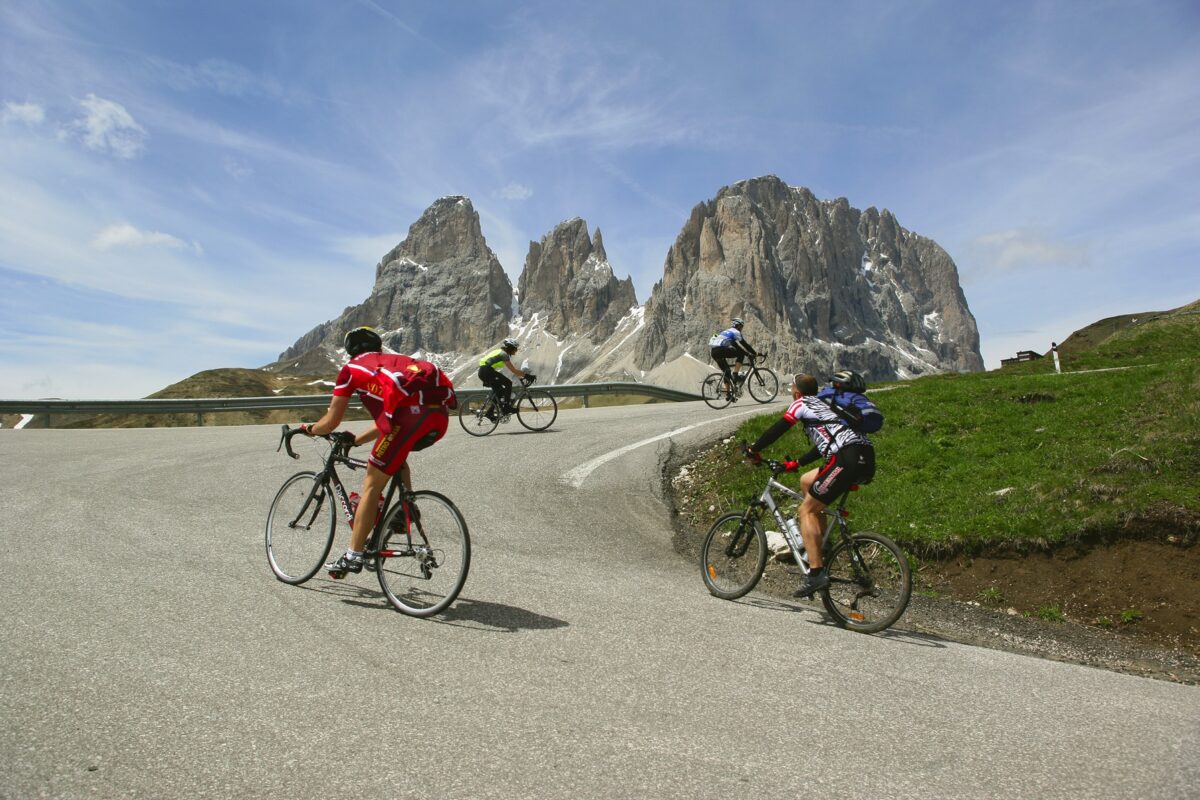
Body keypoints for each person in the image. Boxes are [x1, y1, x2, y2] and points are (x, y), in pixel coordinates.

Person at [298, 326, 455, 578]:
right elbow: (390, 418)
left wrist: (310, 429)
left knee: (372, 482)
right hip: (438, 418)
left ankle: (353, 555)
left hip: (408, 420)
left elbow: (331, 422)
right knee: (395, 457)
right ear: (378, 347)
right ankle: (407, 507)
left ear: (350, 351)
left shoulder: (351, 369)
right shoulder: (394, 362)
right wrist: (357, 441)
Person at [743, 371, 877, 598]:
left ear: (796, 391)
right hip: (864, 456)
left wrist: (753, 450)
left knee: (806, 509)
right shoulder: (825, 407)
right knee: (806, 481)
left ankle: (815, 573)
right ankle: (820, 544)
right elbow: (825, 443)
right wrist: (796, 463)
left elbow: (778, 428)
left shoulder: (801, 403)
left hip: (846, 458)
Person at [478, 338, 534, 416]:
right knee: (508, 383)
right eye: (515, 348)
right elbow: (513, 370)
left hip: (484, 371)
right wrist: (527, 376)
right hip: (487, 371)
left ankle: (489, 413)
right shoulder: (503, 355)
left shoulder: (499, 352)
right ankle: (506, 408)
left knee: (499, 392)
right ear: (510, 348)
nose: (516, 350)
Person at [708, 318, 758, 391]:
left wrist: (748, 354)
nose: (741, 328)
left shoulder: (726, 332)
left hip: (714, 352)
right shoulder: (736, 332)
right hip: (721, 349)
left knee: (727, 371)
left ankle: (728, 394)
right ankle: (735, 375)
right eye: (741, 326)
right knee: (741, 355)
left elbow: (737, 347)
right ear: (737, 325)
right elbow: (745, 345)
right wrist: (754, 353)